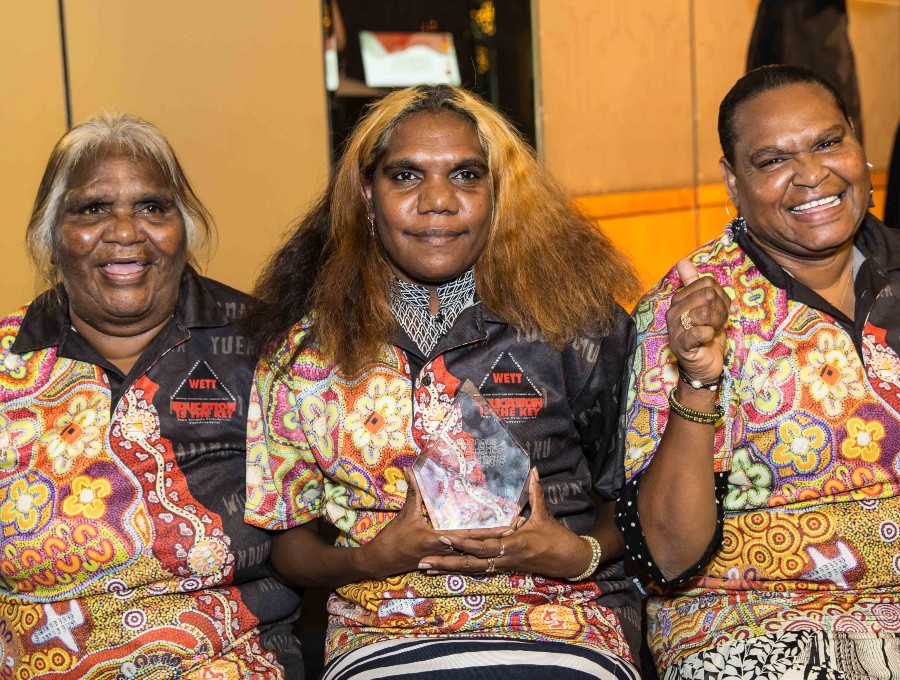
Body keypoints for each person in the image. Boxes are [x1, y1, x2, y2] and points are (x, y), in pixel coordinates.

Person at [244, 84, 643, 679]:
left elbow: (638, 497)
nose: (437, 201)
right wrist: (371, 559)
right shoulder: (303, 349)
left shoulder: (576, 326)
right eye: (406, 176)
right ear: (366, 195)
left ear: (498, 194)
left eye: (466, 176)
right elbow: (288, 546)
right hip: (382, 629)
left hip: (561, 619)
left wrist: (576, 553)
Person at [617, 64, 900, 679]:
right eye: (773, 160)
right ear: (733, 181)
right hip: (755, 621)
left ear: (858, 144)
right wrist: (698, 379)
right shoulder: (687, 310)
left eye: (828, 142)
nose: (812, 174)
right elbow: (666, 555)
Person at [0, 113, 303, 678]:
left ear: (184, 229)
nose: (125, 231)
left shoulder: (264, 344)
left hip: (225, 660)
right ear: (51, 236)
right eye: (93, 209)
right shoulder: (8, 361)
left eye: (151, 207)